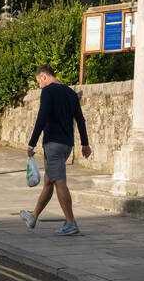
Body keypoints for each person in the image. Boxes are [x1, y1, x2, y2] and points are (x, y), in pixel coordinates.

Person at [18, 64, 91, 235]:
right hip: (66, 145)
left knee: (59, 182)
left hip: (53, 144)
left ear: (44, 76)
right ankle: (33, 216)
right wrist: (85, 144)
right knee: (49, 182)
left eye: (39, 82)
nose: (40, 86)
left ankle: (71, 223)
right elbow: (80, 120)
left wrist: (31, 143)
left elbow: (42, 117)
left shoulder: (48, 91)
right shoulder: (71, 93)